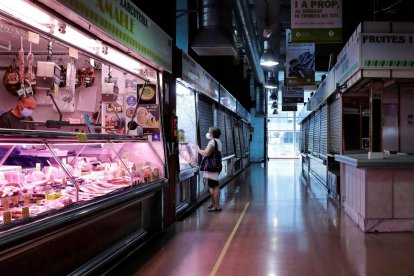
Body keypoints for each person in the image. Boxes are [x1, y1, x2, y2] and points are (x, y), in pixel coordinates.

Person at [194, 127, 222, 212]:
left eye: (209, 132)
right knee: (212, 185)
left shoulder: (213, 142)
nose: (208, 133)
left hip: (212, 167)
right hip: (215, 166)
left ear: (212, 134)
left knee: (215, 185)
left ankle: (216, 206)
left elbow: (206, 153)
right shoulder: (217, 141)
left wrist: (197, 149)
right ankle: (214, 204)